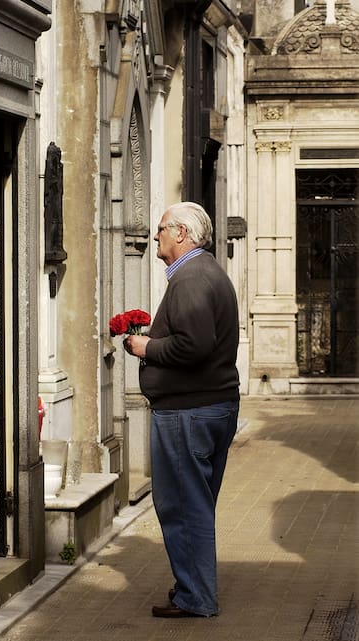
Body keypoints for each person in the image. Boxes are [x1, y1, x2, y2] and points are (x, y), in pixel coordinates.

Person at [123, 201, 240, 618]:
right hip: (208, 405)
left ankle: (197, 597)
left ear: (182, 234)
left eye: (161, 229)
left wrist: (145, 346)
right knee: (194, 503)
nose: (156, 236)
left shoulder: (191, 278)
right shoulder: (205, 273)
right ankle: (192, 585)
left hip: (189, 412)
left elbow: (194, 345)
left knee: (181, 505)